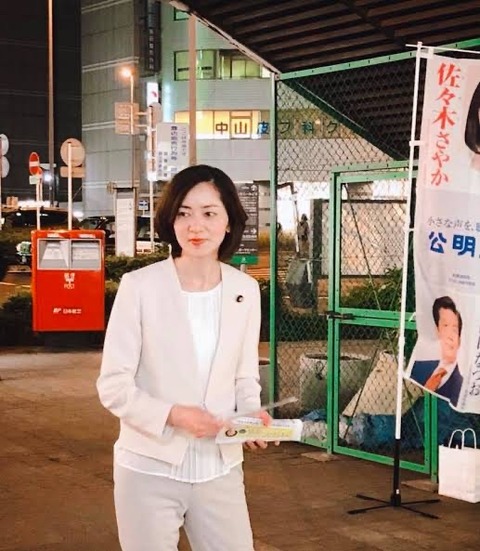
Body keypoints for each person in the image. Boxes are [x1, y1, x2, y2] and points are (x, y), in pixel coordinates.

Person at [97, 164, 272, 551]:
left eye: (209, 213)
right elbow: (113, 386)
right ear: (170, 220)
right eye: (184, 213)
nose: (196, 226)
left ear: (228, 222)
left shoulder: (244, 290)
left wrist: (251, 415)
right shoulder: (140, 287)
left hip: (221, 468)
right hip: (149, 468)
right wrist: (174, 415)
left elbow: (244, 376)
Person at [410, 296, 463, 407]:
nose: (450, 336)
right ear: (437, 330)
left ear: (460, 336)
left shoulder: (464, 379)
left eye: (455, 329)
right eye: (445, 326)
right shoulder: (418, 367)